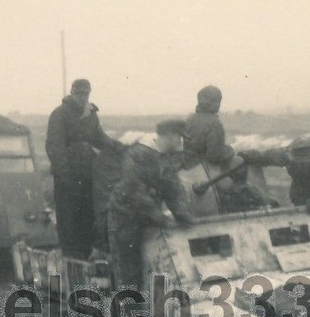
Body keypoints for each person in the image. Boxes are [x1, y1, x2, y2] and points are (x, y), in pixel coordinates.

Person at [107, 119, 196, 289]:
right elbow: (134, 191)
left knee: (151, 263)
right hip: (125, 216)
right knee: (128, 268)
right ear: (169, 135)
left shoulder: (164, 158)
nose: (181, 141)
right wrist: (160, 218)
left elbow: (173, 189)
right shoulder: (137, 154)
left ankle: (147, 309)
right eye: (179, 137)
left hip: (147, 215)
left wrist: (184, 215)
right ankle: (129, 312)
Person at [240, 136, 310, 269]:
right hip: (302, 199)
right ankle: (308, 268)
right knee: (304, 237)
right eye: (297, 162)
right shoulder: (286, 155)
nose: (300, 164)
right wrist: (249, 156)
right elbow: (267, 157)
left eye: (304, 162)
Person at [45, 78, 125, 258]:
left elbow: (100, 138)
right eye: (78, 93)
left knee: (88, 213)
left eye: (85, 94)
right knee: (69, 217)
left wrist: (120, 147)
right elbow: (55, 146)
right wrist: (63, 174)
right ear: (72, 93)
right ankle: (71, 256)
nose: (82, 97)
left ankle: (87, 255)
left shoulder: (91, 115)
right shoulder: (60, 114)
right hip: (68, 174)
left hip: (88, 172)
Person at [183, 85, 237, 171]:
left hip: (191, 166)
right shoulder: (214, 123)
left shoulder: (189, 119)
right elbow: (214, 156)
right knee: (239, 162)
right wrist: (229, 151)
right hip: (207, 169)